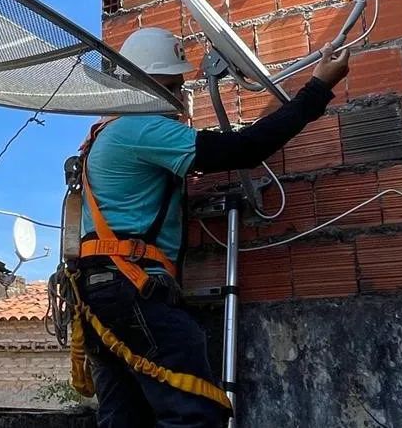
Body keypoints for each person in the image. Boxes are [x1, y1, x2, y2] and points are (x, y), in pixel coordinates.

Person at [77, 26, 350, 428]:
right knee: (194, 414)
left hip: (100, 294)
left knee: (125, 419)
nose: (180, 93)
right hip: (132, 289)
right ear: (150, 82)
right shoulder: (141, 128)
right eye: (174, 82)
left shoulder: (107, 130)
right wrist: (318, 89)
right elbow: (245, 149)